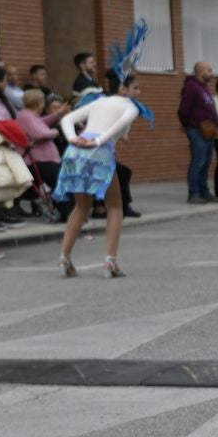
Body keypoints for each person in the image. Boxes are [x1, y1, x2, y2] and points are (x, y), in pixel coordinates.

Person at [54, 24, 153, 278]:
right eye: (136, 87)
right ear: (123, 88)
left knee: (81, 207)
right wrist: (98, 142)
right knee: (115, 207)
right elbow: (120, 124)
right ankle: (110, 260)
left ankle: (64, 258)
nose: (139, 92)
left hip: (75, 153)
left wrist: (74, 139)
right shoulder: (130, 105)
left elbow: (66, 120)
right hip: (98, 152)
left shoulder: (98, 101)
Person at [17, 89, 64, 210]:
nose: (43, 104)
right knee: (59, 182)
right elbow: (38, 133)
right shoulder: (25, 116)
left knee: (61, 181)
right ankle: (64, 211)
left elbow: (41, 122)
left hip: (46, 159)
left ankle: (66, 211)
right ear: (38, 102)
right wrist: (53, 132)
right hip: (40, 160)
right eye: (42, 101)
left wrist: (56, 115)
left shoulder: (31, 115)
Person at [179, 60, 218, 204]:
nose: (211, 73)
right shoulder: (191, 86)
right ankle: (194, 193)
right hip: (197, 129)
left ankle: (204, 191)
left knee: (206, 161)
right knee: (198, 161)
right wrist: (188, 125)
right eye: (209, 70)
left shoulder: (204, 87)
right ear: (201, 71)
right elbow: (183, 110)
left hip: (208, 130)